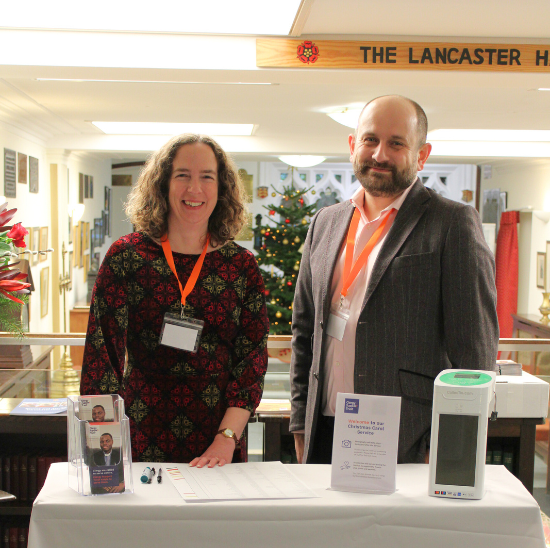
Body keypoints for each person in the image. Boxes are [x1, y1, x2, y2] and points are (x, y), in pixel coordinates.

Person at [290, 95, 499, 465]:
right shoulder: (326, 222)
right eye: (370, 139)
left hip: (410, 437)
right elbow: (305, 330)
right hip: (324, 431)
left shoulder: (452, 223)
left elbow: (474, 348)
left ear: (422, 155)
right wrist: (300, 423)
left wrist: (449, 443)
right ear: (353, 145)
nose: (380, 154)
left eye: (396, 143)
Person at [80, 134, 269, 468]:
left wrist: (226, 439)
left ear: (221, 187)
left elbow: (251, 364)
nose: (194, 189)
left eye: (206, 177)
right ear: (163, 184)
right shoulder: (126, 257)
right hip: (135, 438)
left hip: (219, 445)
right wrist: (103, 448)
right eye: (182, 175)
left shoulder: (241, 267)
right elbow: (102, 358)